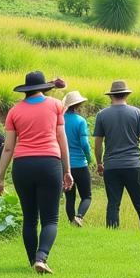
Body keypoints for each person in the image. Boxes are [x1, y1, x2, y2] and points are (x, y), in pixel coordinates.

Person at [0, 71, 73, 274]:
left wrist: (0, 177)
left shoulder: (14, 111)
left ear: (25, 89)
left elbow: (8, 148)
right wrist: (67, 170)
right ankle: (41, 258)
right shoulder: (55, 105)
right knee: (50, 219)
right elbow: (61, 140)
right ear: (43, 87)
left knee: (29, 218)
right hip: (49, 164)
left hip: (22, 166)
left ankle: (33, 262)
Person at [92, 79, 140, 233]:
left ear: (111, 96)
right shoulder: (136, 112)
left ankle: (112, 236)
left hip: (111, 166)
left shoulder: (102, 115)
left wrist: (99, 163)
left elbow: (98, 143)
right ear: (126, 95)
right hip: (133, 165)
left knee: (113, 203)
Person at [61, 90, 92, 227]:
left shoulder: (60, 120)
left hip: (65, 165)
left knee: (70, 197)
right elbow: (85, 144)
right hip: (80, 164)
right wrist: (89, 158)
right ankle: (79, 216)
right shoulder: (80, 121)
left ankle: (71, 222)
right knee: (86, 196)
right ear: (79, 104)